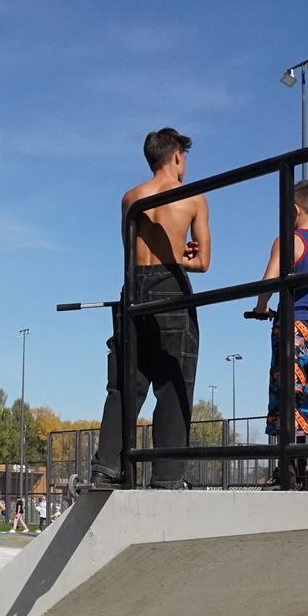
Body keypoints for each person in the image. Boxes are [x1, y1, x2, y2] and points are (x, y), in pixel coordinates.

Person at [91, 127, 210, 489]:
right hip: (171, 286)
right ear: (176, 155)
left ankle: (107, 469)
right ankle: (168, 476)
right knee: (173, 383)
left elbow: (129, 248)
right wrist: (183, 256)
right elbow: (203, 261)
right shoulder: (193, 198)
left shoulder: (131, 198)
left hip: (134, 289)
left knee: (126, 383)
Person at [251, 179, 308, 489]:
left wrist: (261, 306)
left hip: (295, 325)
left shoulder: (287, 240)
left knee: (293, 393)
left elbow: (269, 280)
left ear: (294, 209)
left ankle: (296, 464)